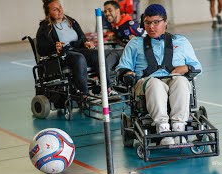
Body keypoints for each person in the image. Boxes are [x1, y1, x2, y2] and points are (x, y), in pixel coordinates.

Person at [116, 4, 202, 145]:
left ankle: (179, 127)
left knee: (180, 81)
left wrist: (186, 67)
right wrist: (127, 73)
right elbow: (122, 67)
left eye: (156, 22)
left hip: (174, 79)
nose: (151, 27)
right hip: (146, 82)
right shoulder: (135, 44)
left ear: (165, 22)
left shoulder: (181, 41)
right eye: (148, 23)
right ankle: (163, 128)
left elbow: (198, 67)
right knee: (155, 83)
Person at [36, 0, 119, 99]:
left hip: (77, 49)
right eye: (55, 9)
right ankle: (84, 94)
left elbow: (81, 36)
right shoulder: (45, 27)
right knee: (79, 58)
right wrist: (54, 47)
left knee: (97, 54)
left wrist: (85, 42)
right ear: (48, 13)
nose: (60, 10)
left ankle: (107, 88)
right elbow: (41, 48)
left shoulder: (71, 21)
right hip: (62, 55)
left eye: (60, 7)